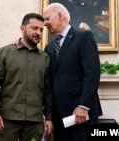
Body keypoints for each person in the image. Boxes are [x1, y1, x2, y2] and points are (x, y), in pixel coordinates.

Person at [0, 13, 53, 141]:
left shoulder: (45, 58)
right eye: (34, 28)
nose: (38, 32)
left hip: (35, 123)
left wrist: (49, 118)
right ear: (22, 28)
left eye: (41, 29)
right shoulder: (4, 52)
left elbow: (48, 91)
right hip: (7, 121)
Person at [43, 3, 103, 141]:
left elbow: (92, 74)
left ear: (60, 15)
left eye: (47, 19)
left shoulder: (83, 36)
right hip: (59, 117)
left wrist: (84, 106)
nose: (45, 23)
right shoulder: (50, 47)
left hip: (81, 114)